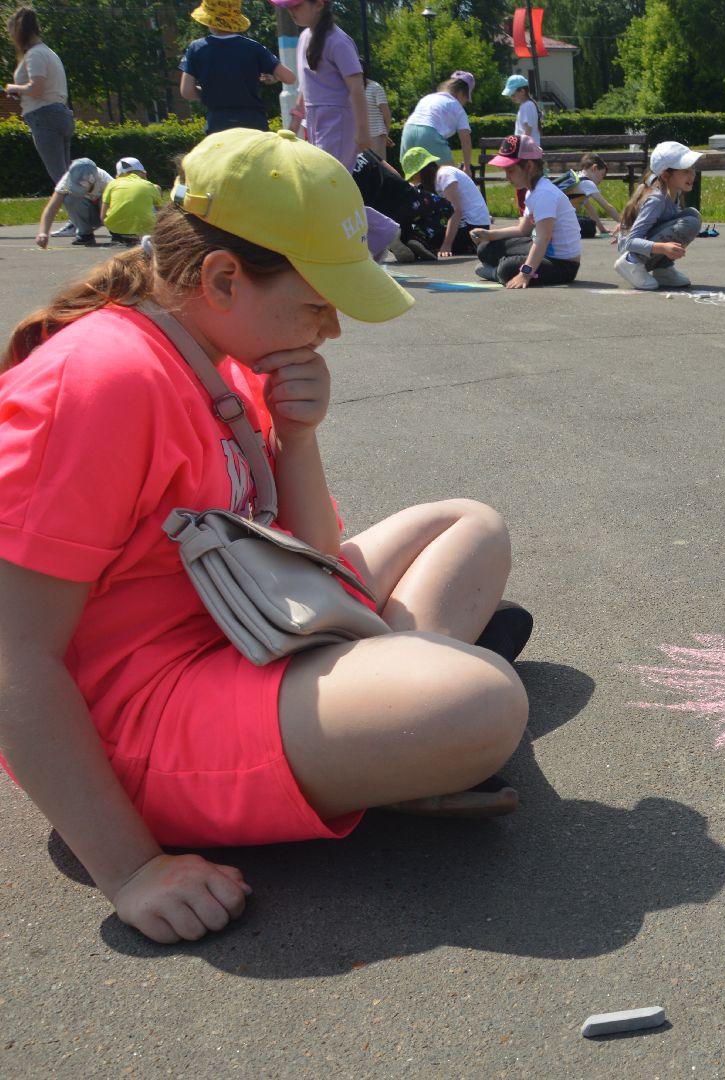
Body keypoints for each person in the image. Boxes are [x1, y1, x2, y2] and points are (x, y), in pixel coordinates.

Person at [0, 128, 534, 946]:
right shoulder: (102, 382)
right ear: (221, 277)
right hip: (142, 719)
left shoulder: (224, 350)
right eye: (319, 301)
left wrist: (297, 434)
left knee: (471, 526)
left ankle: (388, 725)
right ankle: (399, 726)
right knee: (484, 703)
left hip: (243, 626)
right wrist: (131, 868)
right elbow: (14, 656)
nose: (332, 329)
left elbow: (311, 557)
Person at [469, 135, 582, 288]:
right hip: (543, 250)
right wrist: (489, 235)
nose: (507, 177)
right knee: (486, 248)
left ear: (529, 166)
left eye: (511, 170)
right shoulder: (532, 192)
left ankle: (498, 272)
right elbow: (523, 230)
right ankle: (498, 270)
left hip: (562, 264)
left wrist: (525, 274)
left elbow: (542, 239)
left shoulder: (544, 194)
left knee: (506, 269)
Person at [178, 0, 295, 134]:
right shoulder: (254, 47)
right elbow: (290, 78)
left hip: (218, 124)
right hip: (253, 123)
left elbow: (187, 91)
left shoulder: (196, 48)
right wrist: (274, 78)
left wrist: (211, 92)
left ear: (209, 20)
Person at [272, 0, 365, 165]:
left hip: (337, 122)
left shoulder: (338, 41)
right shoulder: (304, 37)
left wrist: (363, 130)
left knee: (332, 179)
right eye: (289, 7)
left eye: (297, 6)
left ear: (319, 5)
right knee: (322, 177)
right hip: (315, 120)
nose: (291, 11)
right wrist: (295, 122)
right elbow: (306, 85)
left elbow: (356, 86)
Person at [613, 141, 703, 291]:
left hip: (648, 244)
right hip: (633, 250)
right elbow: (630, 242)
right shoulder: (657, 199)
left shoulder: (674, 190)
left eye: (692, 168)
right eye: (685, 171)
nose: (692, 174)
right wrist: (662, 248)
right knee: (688, 223)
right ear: (666, 175)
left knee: (693, 215)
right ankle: (631, 263)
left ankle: (663, 269)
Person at [5, 6, 72, 191]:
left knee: (60, 179)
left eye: (11, 32)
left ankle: (81, 219)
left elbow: (37, 88)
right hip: (58, 113)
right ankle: (79, 218)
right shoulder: (48, 52)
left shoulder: (35, 54)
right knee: (66, 177)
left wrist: (13, 87)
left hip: (44, 116)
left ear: (20, 30)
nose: (11, 37)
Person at [351, 148, 447, 263]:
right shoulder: (363, 150)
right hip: (403, 197)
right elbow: (393, 172)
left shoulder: (341, 165)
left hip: (382, 215)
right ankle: (417, 237)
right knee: (444, 206)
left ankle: (399, 239)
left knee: (395, 229)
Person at [400, 145, 492, 258]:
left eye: (413, 176)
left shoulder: (445, 175)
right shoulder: (436, 179)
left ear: (420, 171)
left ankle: (422, 240)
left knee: (434, 206)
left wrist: (446, 246)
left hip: (473, 230)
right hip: (464, 227)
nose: (414, 180)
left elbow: (456, 211)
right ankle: (418, 242)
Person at [399, 76, 475, 174]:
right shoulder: (457, 107)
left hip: (408, 130)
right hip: (429, 133)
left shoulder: (428, 97)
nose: (464, 104)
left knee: (415, 179)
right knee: (450, 177)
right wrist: (467, 167)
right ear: (461, 93)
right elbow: (466, 140)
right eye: (466, 99)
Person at [34, 157, 112, 248]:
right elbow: (51, 207)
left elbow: (119, 205)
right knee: (69, 198)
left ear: (93, 180)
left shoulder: (105, 180)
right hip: (89, 214)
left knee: (107, 199)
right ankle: (85, 234)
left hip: (107, 215)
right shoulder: (67, 178)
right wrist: (43, 233)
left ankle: (117, 232)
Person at [555, 152, 622, 240]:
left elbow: (590, 209)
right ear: (594, 168)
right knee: (589, 227)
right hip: (559, 221)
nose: (601, 180)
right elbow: (608, 208)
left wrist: (602, 229)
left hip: (554, 218)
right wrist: (625, 224)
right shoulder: (587, 183)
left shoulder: (577, 179)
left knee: (587, 222)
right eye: (602, 175)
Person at [100, 157, 164, 247]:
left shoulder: (112, 184)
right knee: (152, 202)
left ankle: (120, 235)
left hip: (115, 230)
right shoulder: (149, 185)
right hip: (143, 231)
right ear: (142, 172)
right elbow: (162, 213)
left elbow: (102, 217)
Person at [363, 72, 392, 159]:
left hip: (376, 135)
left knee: (378, 166)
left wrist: (386, 134)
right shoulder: (349, 88)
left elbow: (386, 114)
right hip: (359, 136)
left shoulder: (375, 87)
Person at [505, 73, 539, 141]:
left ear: (522, 91)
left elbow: (528, 131)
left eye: (513, 95)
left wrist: (519, 146)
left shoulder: (528, 106)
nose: (511, 97)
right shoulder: (525, 105)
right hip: (526, 147)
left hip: (527, 149)